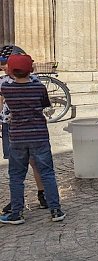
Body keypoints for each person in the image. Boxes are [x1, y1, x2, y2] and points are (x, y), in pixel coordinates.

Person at [0, 54, 65, 224]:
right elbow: (45, 105)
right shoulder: (39, 87)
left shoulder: (6, 89)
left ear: (10, 71)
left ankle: (16, 213)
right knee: (47, 173)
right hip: (39, 136)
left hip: (18, 137)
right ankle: (55, 210)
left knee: (16, 176)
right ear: (31, 69)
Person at [0, 48, 48, 214]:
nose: (3, 66)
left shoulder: (32, 80)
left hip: (26, 126)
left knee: (35, 163)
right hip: (10, 126)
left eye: (5, 63)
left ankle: (43, 194)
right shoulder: (3, 81)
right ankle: (16, 201)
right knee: (15, 166)